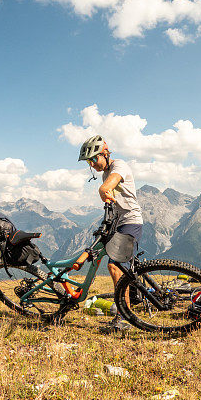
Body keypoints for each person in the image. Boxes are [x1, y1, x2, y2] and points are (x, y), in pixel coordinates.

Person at [78, 135, 144, 330]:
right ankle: (132, 293)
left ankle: (124, 317)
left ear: (105, 154)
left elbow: (109, 185)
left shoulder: (119, 167)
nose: (92, 164)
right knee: (96, 250)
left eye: (94, 159)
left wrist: (103, 189)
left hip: (130, 221)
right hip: (117, 223)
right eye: (89, 162)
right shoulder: (105, 173)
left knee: (114, 266)